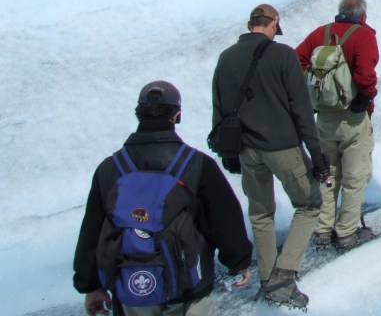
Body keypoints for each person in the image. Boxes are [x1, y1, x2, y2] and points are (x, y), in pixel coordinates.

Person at [74, 80, 252, 316]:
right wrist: (237, 260)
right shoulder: (197, 165)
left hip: (131, 289)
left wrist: (91, 285)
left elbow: (92, 231)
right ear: (177, 116)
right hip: (189, 289)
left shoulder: (110, 169)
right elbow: (224, 219)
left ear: (139, 114)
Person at [212, 4, 331, 310]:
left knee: (260, 213)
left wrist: (229, 154)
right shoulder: (283, 55)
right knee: (310, 203)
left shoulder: (226, 58)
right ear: (274, 24)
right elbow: (301, 108)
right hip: (282, 146)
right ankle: (284, 275)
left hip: (245, 149)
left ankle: (266, 278)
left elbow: (220, 106)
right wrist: (316, 154)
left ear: (250, 23)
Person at [294, 0, 378, 254]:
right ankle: (347, 231)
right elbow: (366, 73)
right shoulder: (363, 35)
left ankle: (322, 228)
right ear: (362, 16)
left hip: (324, 117)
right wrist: (364, 98)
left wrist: (312, 91)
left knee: (328, 173)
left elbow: (298, 59)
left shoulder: (321, 33)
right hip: (352, 116)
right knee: (355, 175)